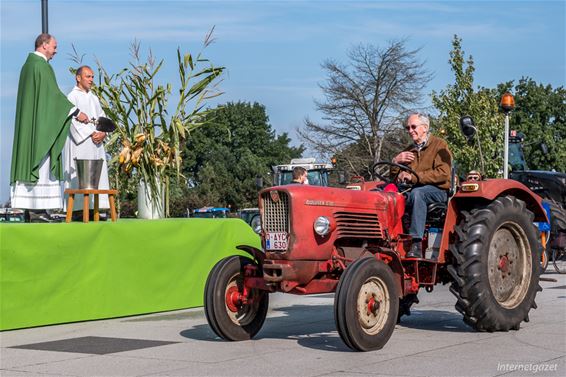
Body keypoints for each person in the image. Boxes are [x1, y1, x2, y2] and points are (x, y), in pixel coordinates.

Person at [10, 33, 89, 215]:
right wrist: (76, 112)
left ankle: (32, 211)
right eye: (54, 47)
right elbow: (53, 97)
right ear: (44, 45)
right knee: (42, 159)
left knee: (33, 159)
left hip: (32, 125)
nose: (55, 51)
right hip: (40, 128)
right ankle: (38, 211)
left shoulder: (28, 66)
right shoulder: (41, 67)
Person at [392, 112, 452, 258]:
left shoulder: (439, 145)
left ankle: (416, 243)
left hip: (438, 190)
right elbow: (393, 176)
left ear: (425, 128)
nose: (410, 130)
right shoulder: (408, 149)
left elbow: (443, 173)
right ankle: (390, 237)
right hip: (412, 189)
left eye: (413, 127)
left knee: (418, 194)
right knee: (387, 194)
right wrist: (396, 162)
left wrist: (412, 177)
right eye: (408, 128)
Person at [63, 65, 110, 215]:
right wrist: (91, 133)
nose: (91, 80)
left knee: (97, 174)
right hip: (81, 144)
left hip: (96, 144)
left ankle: (94, 209)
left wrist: (103, 132)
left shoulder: (94, 98)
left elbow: (102, 118)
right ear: (78, 78)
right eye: (88, 76)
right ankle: (77, 210)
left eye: (92, 77)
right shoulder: (72, 97)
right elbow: (71, 120)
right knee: (79, 175)